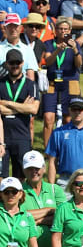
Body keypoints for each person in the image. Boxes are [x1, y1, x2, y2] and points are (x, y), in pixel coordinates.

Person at [40, 17, 82, 146]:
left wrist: (74, 49)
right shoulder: (48, 44)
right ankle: (48, 150)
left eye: (65, 29)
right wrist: (58, 50)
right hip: (52, 82)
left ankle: (67, 146)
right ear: (55, 30)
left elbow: (79, 64)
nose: (63, 31)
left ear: (70, 30)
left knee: (68, 117)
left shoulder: (75, 44)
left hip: (70, 82)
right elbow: (48, 61)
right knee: (48, 118)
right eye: (60, 29)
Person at [0, 49, 39, 179]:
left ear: (22, 63)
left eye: (18, 63)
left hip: (22, 135)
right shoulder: (0, 82)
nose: (15, 66)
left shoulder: (30, 84)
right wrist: (23, 107)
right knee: (2, 175)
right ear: (7, 64)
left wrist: (7, 103)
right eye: (12, 63)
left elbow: (33, 110)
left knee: (22, 176)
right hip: (3, 137)